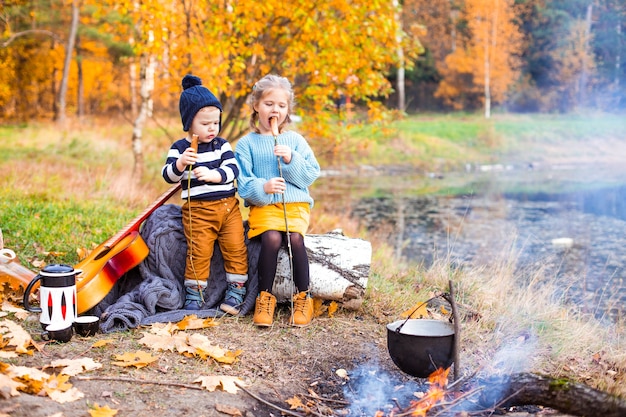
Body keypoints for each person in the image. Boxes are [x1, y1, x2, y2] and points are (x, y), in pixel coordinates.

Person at [235, 74, 321, 327]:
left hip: (294, 205)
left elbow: (310, 175)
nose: (276, 110)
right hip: (264, 207)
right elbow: (244, 185)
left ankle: (304, 297)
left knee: (295, 238)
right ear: (256, 106)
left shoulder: (294, 141)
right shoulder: (246, 144)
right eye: (269, 104)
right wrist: (264, 186)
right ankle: (265, 298)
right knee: (272, 237)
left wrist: (290, 160)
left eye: (282, 106)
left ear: (288, 110)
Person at [162, 74, 248, 314]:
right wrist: (180, 164)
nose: (212, 128)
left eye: (215, 123)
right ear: (189, 122)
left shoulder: (222, 145)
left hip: (228, 207)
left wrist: (215, 175)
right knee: (198, 251)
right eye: (205, 123)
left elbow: (233, 170)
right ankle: (194, 294)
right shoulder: (181, 148)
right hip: (198, 211)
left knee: (235, 247)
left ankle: (236, 291)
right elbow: (168, 176)